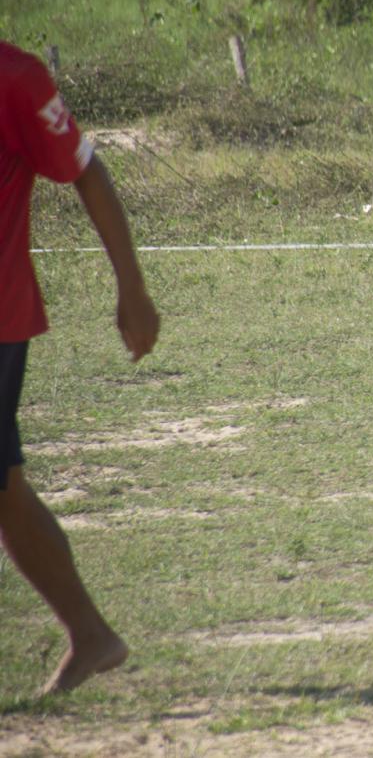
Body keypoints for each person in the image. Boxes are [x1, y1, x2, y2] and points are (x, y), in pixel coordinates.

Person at [2, 40, 160, 694]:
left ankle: (90, 631)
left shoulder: (15, 78)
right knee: (6, 491)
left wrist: (132, 287)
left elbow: (87, 170)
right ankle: (90, 633)